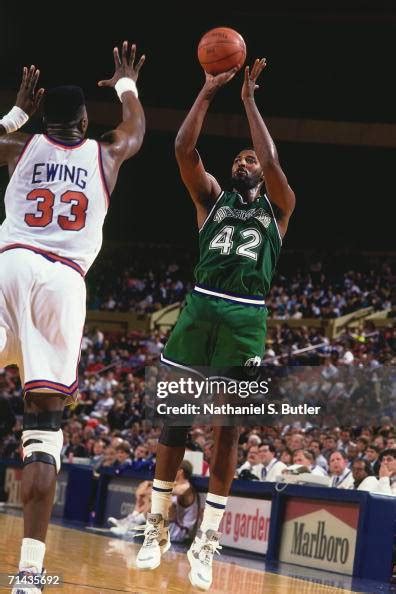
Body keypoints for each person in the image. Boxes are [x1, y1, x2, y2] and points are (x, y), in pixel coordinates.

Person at [137, 57, 295, 592]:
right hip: (202, 306)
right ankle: (156, 526)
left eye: (250, 158)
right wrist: (207, 93)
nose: (245, 161)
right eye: (240, 158)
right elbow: (184, 151)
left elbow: (272, 160)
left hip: (246, 319)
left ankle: (207, 537)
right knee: (177, 419)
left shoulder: (280, 208)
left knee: (227, 428)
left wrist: (249, 101)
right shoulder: (210, 200)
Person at [0, 42, 145, 593]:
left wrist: (17, 112)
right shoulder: (105, 154)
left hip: (8, 269)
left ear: (43, 117)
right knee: (44, 429)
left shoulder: (20, 147)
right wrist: (126, 83)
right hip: (62, 284)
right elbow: (135, 130)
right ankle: (29, 577)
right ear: (84, 120)